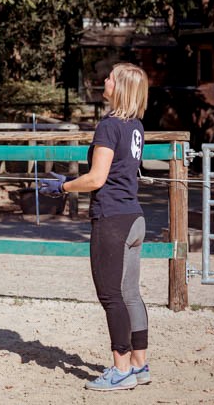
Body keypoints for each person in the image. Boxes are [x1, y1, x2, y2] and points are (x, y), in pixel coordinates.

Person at [40, 62, 150, 391]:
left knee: (111, 295)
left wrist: (63, 187)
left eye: (111, 77)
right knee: (130, 294)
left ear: (121, 87)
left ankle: (120, 370)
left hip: (112, 220)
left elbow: (96, 178)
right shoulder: (136, 126)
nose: (105, 80)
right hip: (135, 218)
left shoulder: (109, 126)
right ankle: (139, 365)